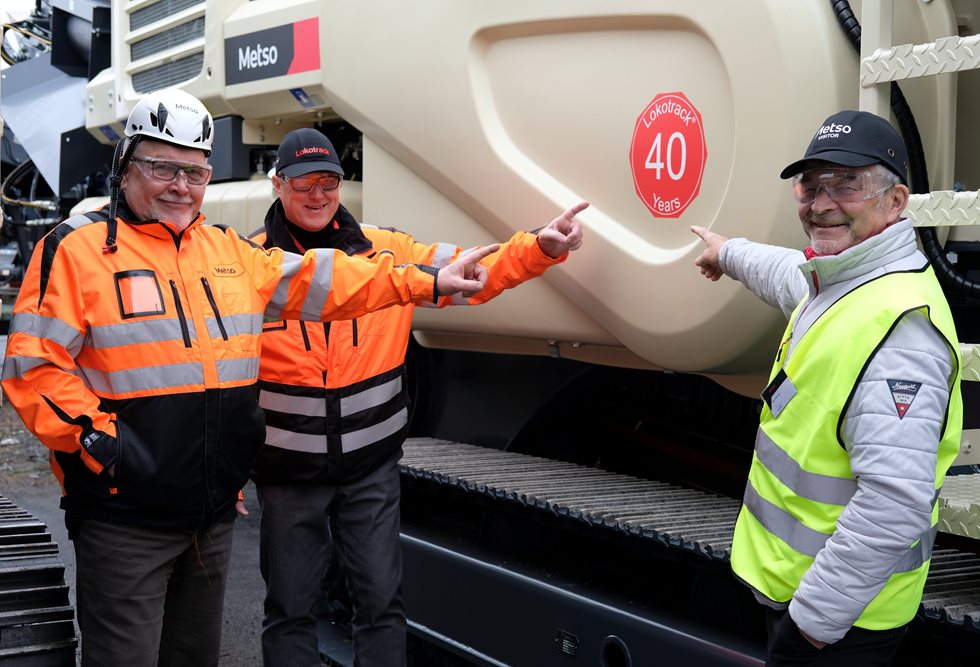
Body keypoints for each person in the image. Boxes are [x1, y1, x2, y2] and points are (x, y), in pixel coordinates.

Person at [0, 88, 509, 667]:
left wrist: (430, 283)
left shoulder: (229, 252)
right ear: (125, 166)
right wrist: (103, 445)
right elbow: (34, 367)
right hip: (125, 518)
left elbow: (336, 281)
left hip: (210, 519)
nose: (179, 185)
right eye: (162, 166)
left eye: (194, 172)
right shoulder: (74, 250)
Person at [248, 127, 586, 667]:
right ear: (277, 184)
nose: (317, 194)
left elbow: (473, 270)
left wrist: (538, 248)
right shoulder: (249, 265)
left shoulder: (391, 250)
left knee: (381, 604)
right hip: (289, 475)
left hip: (370, 472)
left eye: (329, 181)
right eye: (303, 182)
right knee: (290, 610)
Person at [691, 110, 962, 666]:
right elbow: (787, 272)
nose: (821, 203)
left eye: (847, 184)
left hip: (842, 624)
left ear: (895, 201)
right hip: (812, 600)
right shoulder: (845, 280)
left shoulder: (901, 333)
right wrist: (726, 252)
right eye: (811, 186)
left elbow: (893, 504)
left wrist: (811, 627)